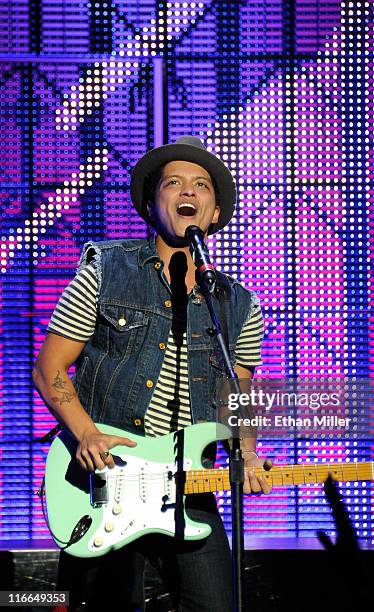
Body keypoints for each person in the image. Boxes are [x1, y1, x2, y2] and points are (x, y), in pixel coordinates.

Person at [33, 136, 271, 612]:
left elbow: (238, 388)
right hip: (104, 480)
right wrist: (86, 434)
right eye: (174, 183)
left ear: (215, 212)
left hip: (191, 483)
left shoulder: (238, 304)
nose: (189, 191)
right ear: (151, 204)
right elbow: (49, 368)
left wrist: (247, 451)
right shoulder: (107, 269)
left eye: (201, 185)